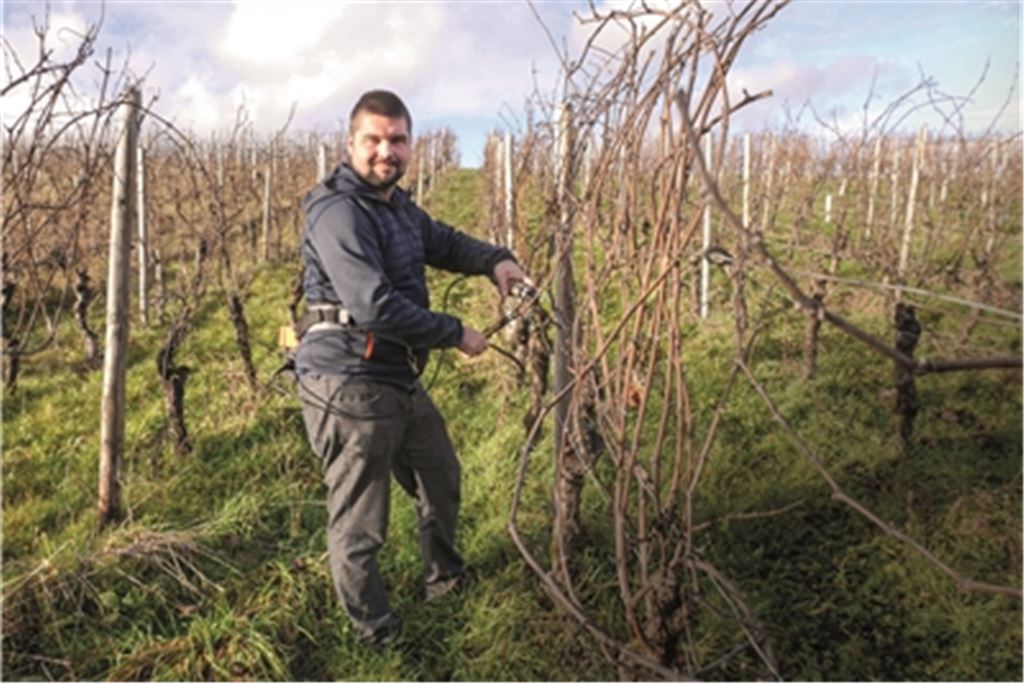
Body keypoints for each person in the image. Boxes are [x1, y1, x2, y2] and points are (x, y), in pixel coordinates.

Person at [293, 89, 530, 648]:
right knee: (361, 521)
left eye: (397, 139)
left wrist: (495, 259)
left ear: (410, 145)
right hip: (348, 382)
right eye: (373, 139)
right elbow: (373, 304)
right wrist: (455, 333)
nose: (385, 151)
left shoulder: (396, 206)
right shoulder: (338, 211)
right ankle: (376, 633)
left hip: (394, 373)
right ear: (350, 143)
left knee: (440, 476)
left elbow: (443, 241)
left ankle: (444, 582)